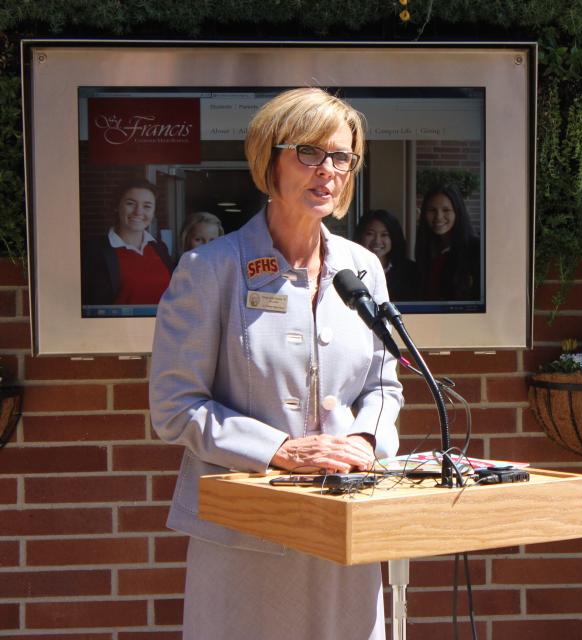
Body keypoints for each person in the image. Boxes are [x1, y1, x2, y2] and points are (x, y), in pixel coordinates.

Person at [149, 88, 402, 640]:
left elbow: (384, 386)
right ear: (270, 159)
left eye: (341, 157)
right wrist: (279, 450)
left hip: (343, 529)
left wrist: (364, 439)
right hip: (243, 536)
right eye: (308, 153)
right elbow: (175, 407)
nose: (327, 170)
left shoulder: (363, 269)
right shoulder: (210, 269)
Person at [81, 179, 174, 306]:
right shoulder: (92, 250)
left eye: (147, 206)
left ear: (153, 212)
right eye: (130, 203)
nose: (138, 212)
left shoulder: (160, 248)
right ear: (116, 206)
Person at [414, 184, 481, 300]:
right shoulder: (426, 248)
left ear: (457, 212)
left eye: (446, 210)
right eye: (432, 210)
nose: (438, 217)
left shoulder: (476, 249)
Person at [355, 209, 418, 301]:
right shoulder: (349, 269)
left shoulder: (410, 271)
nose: (377, 241)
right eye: (370, 234)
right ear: (360, 235)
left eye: (384, 235)